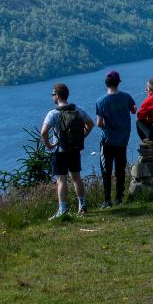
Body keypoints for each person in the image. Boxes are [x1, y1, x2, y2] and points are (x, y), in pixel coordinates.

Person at [41, 83, 94, 220]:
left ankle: (62, 210)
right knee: (77, 178)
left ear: (57, 96)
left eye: (53, 94)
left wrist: (50, 145)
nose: (53, 97)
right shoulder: (77, 109)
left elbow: (44, 132)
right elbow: (90, 124)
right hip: (74, 149)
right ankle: (82, 206)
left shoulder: (53, 113)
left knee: (61, 180)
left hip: (60, 151)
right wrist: (82, 137)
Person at [95, 69, 136, 207]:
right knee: (120, 169)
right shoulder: (127, 97)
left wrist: (108, 127)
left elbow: (99, 123)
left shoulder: (101, 101)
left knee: (106, 170)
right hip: (123, 139)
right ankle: (119, 198)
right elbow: (133, 110)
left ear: (106, 83)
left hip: (107, 141)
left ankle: (107, 200)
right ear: (118, 82)